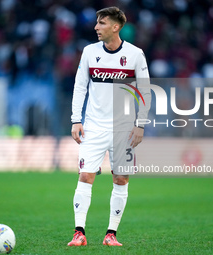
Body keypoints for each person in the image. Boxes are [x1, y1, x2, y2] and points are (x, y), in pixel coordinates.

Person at [68, 6, 151, 246]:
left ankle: (110, 234)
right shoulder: (89, 52)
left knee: (121, 180)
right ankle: (79, 233)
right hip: (93, 127)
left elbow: (144, 90)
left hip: (124, 129)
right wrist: (76, 119)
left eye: (102, 23)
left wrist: (140, 124)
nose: (96, 27)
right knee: (85, 176)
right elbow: (80, 86)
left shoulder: (135, 54)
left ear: (116, 27)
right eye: (97, 23)